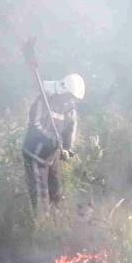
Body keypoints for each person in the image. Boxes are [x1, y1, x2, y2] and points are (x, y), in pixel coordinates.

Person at [21, 73, 84, 212]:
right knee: (41, 196)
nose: (71, 100)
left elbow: (70, 127)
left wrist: (67, 148)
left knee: (56, 192)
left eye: (73, 98)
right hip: (35, 154)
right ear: (63, 91)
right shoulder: (44, 100)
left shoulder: (70, 106)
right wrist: (51, 138)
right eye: (70, 96)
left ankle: (56, 219)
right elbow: (35, 124)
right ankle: (41, 221)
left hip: (52, 154)